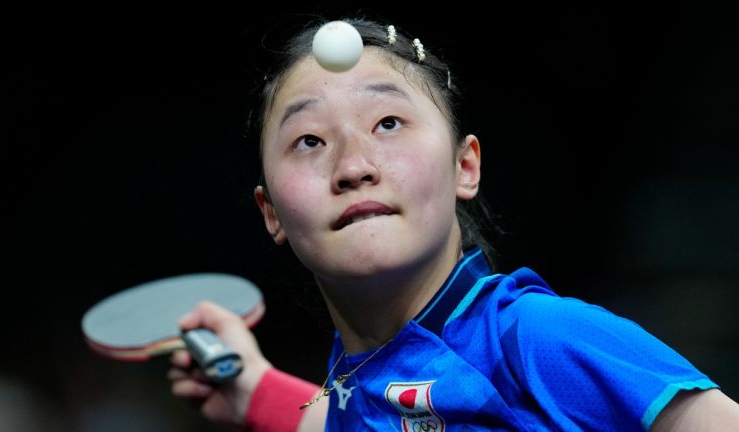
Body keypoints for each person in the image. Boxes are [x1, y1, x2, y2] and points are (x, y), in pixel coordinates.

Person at [167, 16, 739, 431]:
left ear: (465, 166)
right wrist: (254, 390)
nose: (354, 167)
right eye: (309, 140)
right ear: (272, 214)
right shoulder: (354, 390)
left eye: (388, 123)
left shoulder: (541, 340)